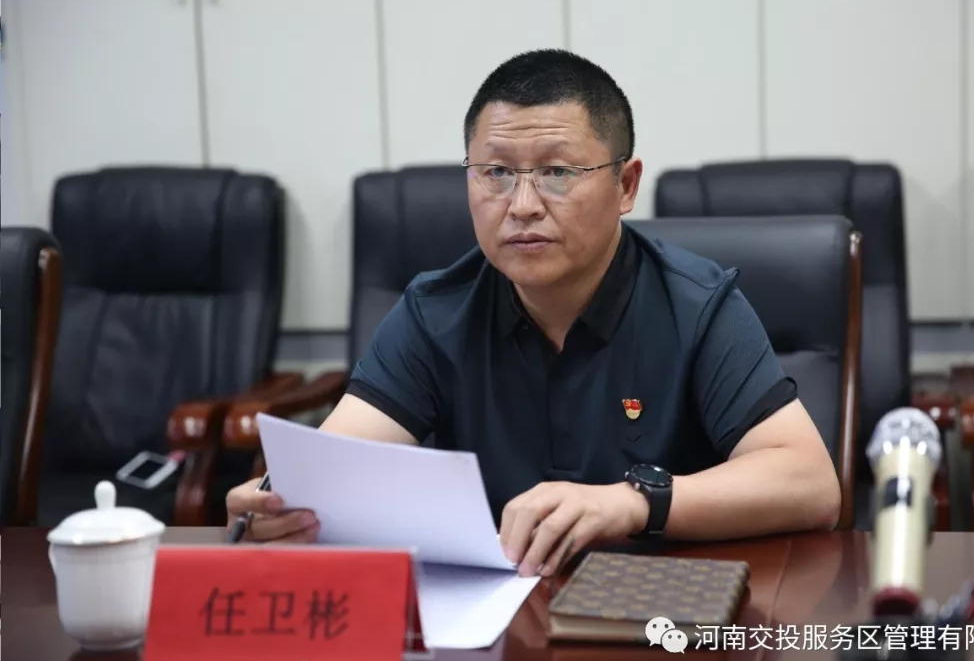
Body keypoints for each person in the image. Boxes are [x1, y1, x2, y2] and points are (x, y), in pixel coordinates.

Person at [226, 49, 840, 577]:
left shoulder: (698, 306)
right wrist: (277, 504)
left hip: (664, 615)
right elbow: (333, 471)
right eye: (495, 172)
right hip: (497, 618)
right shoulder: (435, 313)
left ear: (626, 186)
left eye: (556, 172)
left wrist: (631, 502)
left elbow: (810, 484)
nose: (521, 205)